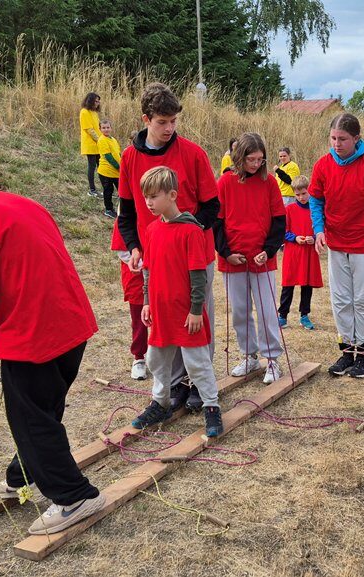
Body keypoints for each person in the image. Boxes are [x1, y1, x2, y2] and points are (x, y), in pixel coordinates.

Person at [0, 190, 104, 534]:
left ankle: (74, 495)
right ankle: (21, 475)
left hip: (32, 333)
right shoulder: (16, 203)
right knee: (43, 410)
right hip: (70, 321)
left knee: (30, 418)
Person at [117, 82, 219, 412]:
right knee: (165, 321)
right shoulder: (130, 157)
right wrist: (134, 247)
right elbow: (126, 213)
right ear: (146, 119)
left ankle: (199, 384)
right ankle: (176, 385)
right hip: (156, 256)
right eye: (162, 122)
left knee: (198, 317)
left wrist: (187, 234)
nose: (169, 128)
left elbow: (212, 207)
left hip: (194, 254)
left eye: (174, 121)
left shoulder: (193, 153)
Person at [131, 167, 223, 435]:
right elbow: (148, 271)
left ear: (172, 195)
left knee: (197, 362)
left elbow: (198, 277)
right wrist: (147, 302)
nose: (148, 202)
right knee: (156, 360)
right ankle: (160, 402)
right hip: (161, 311)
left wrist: (196, 310)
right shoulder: (151, 230)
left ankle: (211, 406)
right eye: (145, 197)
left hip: (186, 313)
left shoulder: (191, 231)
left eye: (153, 196)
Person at [309, 113, 364, 378]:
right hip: (337, 243)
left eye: (343, 139)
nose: (337, 144)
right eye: (333, 138)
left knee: (362, 300)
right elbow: (315, 200)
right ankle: (347, 351)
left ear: (356, 138)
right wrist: (318, 229)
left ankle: (362, 355)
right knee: (340, 300)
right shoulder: (323, 165)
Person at [215, 132, 286, 384]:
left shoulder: (270, 183)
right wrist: (225, 252)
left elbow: (279, 220)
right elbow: (217, 222)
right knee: (240, 311)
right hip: (233, 258)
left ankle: (272, 359)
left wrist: (269, 250)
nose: (256, 164)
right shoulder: (225, 182)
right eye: (251, 159)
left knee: (267, 310)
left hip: (261, 257)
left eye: (260, 159)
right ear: (239, 157)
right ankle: (249, 355)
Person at [278, 175, 323, 330]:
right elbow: (283, 231)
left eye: (304, 193)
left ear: (309, 191)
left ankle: (304, 315)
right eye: (297, 194)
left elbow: (322, 229)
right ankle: (282, 316)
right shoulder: (289, 209)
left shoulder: (315, 210)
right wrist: (295, 238)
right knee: (288, 285)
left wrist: (314, 238)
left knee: (307, 285)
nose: (301, 197)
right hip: (293, 253)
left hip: (309, 253)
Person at [110, 220, 148, 380]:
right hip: (136, 275)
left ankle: (164, 355)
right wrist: (145, 265)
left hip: (161, 271)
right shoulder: (125, 218)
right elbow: (122, 249)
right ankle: (139, 357)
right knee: (139, 320)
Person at [97, 118, 121, 219]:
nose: (106, 129)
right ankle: (108, 210)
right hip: (106, 172)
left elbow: (118, 153)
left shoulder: (113, 140)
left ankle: (123, 209)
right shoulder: (102, 140)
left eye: (108, 127)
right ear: (100, 129)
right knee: (108, 190)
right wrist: (119, 167)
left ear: (111, 128)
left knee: (121, 190)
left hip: (116, 172)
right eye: (103, 128)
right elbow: (108, 157)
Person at [80, 92, 102, 197]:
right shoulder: (84, 112)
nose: (97, 103)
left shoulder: (94, 113)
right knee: (92, 167)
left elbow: (98, 128)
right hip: (90, 144)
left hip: (98, 144)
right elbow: (89, 129)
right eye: (95, 101)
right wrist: (100, 140)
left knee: (101, 166)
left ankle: (105, 189)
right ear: (90, 101)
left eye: (98, 101)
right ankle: (92, 190)